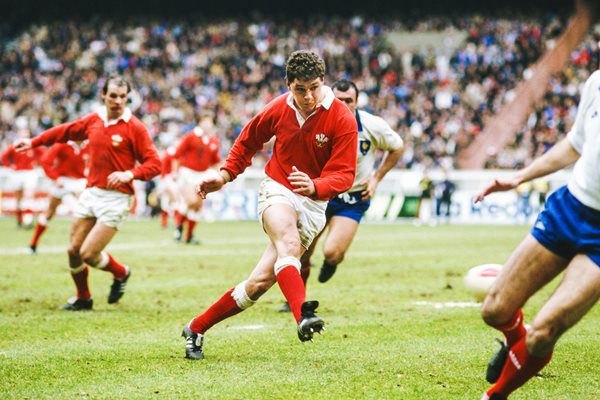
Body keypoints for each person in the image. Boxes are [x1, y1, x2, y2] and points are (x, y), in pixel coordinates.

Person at [180, 50, 358, 360]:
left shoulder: (342, 117)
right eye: (300, 89)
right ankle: (302, 314)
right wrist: (224, 176)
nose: (307, 96)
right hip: (278, 188)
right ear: (289, 85)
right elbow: (248, 141)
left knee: (259, 284)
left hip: (314, 204)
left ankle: (195, 328)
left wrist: (316, 185)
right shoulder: (277, 109)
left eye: (314, 87)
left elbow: (344, 174)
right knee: (287, 242)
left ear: (322, 82)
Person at [474, 70, 600, 400]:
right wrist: (520, 177)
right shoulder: (596, 82)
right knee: (495, 310)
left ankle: (495, 395)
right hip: (570, 210)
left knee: (542, 333)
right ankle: (516, 346)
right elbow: (576, 143)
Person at [14, 75, 161, 311]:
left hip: (117, 198)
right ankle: (83, 298)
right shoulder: (94, 120)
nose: (118, 101)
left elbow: (155, 164)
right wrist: (34, 142)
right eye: (113, 95)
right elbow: (65, 131)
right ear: (103, 95)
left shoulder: (135, 127)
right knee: (73, 251)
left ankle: (121, 273)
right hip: (91, 193)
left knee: (89, 254)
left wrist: (129, 174)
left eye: (123, 97)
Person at [281, 79, 403, 301]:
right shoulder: (316, 120)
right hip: (319, 194)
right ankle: (297, 301)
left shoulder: (371, 125)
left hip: (352, 198)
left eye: (350, 101)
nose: (345, 105)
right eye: (340, 100)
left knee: (333, 252)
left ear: (357, 102)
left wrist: (376, 178)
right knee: (301, 250)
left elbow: (397, 147)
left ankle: (331, 262)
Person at [28, 140, 89, 254]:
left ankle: (77, 246)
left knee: (81, 213)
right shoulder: (62, 144)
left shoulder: (90, 144)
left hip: (80, 182)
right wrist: (55, 178)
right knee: (49, 213)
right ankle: (33, 243)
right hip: (62, 181)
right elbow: (45, 161)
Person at [172, 114, 221, 244]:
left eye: (210, 122)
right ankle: (179, 226)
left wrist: (222, 176)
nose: (208, 124)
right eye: (205, 121)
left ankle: (188, 235)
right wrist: (175, 172)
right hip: (188, 173)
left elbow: (216, 161)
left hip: (202, 175)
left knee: (198, 206)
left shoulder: (213, 141)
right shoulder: (191, 137)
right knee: (192, 201)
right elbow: (177, 155)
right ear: (200, 122)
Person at [1, 131, 45, 228]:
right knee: (19, 198)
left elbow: (44, 155)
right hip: (17, 173)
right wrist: (10, 166)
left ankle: (28, 219)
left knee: (28, 195)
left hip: (29, 173)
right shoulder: (14, 146)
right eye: (22, 134)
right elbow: (4, 157)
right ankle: (20, 220)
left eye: (26, 133)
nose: (24, 135)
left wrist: (37, 161)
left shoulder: (33, 145)